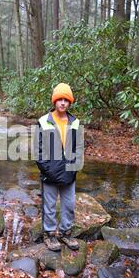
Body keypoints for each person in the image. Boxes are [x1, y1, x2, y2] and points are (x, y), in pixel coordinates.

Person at [34, 83, 83, 251]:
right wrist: (48, 170)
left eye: (66, 100)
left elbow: (78, 148)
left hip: (69, 173)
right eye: (59, 99)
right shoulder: (43, 121)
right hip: (50, 173)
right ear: (54, 101)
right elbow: (38, 151)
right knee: (49, 207)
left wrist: (75, 167)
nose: (62, 103)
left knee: (69, 205)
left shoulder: (75, 122)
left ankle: (65, 233)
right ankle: (49, 235)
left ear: (69, 102)